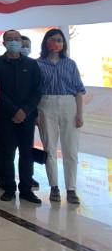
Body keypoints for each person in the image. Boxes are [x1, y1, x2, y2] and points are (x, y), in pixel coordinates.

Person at [0, 30, 42, 204]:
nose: (13, 42)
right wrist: (14, 110)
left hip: (26, 117)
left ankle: (26, 188)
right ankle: (9, 188)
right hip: (5, 116)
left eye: (17, 39)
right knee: (6, 153)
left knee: (26, 153)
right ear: (4, 43)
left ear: (21, 42)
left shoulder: (32, 64)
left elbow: (37, 90)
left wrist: (25, 111)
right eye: (9, 39)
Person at [36, 28, 86, 205]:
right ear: (46, 42)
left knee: (70, 149)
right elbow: (34, 90)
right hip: (46, 104)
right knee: (50, 148)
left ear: (64, 43)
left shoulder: (70, 64)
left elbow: (79, 90)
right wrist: (35, 113)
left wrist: (79, 113)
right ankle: (54, 187)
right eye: (52, 39)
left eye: (59, 40)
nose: (56, 43)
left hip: (68, 104)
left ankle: (71, 188)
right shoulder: (38, 64)